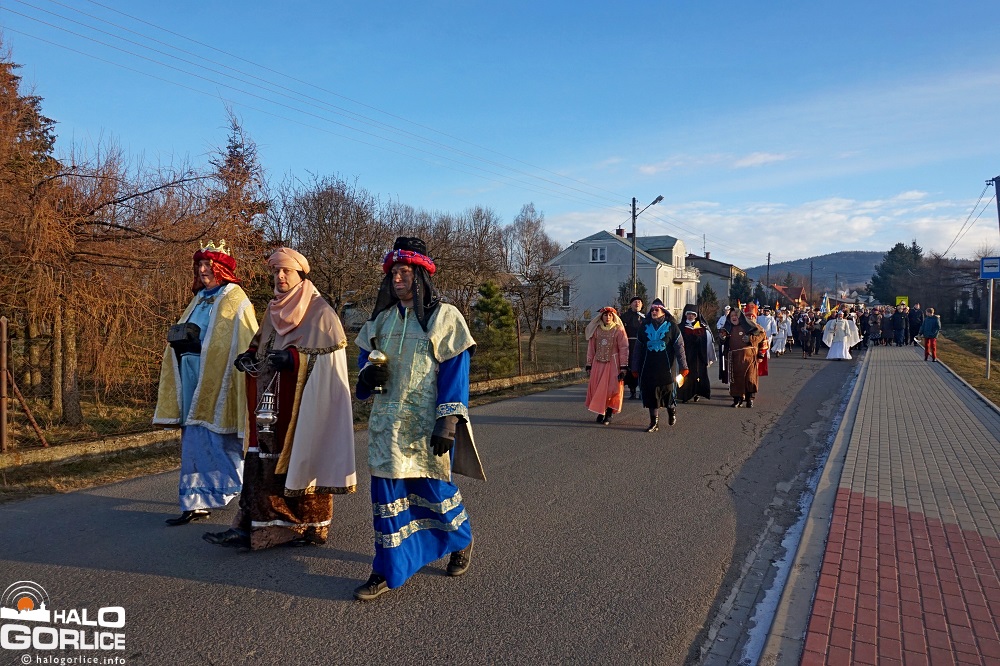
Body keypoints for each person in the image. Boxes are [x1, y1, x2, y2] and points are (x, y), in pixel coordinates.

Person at [353, 236, 485, 601]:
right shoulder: (380, 321)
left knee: (434, 492)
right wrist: (366, 375)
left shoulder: (445, 317)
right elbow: (363, 364)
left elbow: (456, 371)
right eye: (393, 273)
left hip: (426, 425)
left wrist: (449, 421)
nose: (398, 279)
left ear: (421, 276)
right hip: (385, 426)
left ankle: (461, 540)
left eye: (405, 272)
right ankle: (386, 569)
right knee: (387, 498)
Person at [203, 248, 357, 550]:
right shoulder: (273, 309)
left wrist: (293, 360)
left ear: (301, 274)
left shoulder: (321, 312)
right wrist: (249, 357)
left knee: (297, 461)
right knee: (260, 461)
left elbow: (330, 363)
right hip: (269, 403)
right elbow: (260, 343)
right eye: (275, 271)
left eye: (286, 270)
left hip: (301, 407)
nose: (280, 276)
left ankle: (305, 526)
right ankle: (250, 526)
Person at [154, 240, 258, 526]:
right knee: (194, 441)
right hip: (191, 377)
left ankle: (234, 490)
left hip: (220, 381)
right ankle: (195, 502)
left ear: (221, 269)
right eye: (199, 265)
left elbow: (247, 339)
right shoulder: (199, 298)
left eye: (208, 265)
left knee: (221, 440)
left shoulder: (235, 298)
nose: (202, 270)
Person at [631, 299, 688, 431]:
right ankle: (654, 423)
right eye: (652, 310)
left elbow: (680, 348)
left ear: (663, 311)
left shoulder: (672, 327)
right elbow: (637, 349)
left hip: (666, 366)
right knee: (651, 393)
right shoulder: (644, 327)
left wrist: (684, 367)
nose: (654, 312)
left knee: (668, 391)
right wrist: (635, 367)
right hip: (648, 366)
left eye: (656, 310)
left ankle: (671, 411)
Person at [584, 307, 630, 424]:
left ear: (614, 317)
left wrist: (623, 366)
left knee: (612, 388)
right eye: (605, 315)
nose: (608, 317)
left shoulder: (619, 330)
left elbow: (624, 348)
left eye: (610, 315)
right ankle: (601, 411)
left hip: (613, 363)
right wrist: (589, 363)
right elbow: (591, 348)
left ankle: (609, 412)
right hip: (598, 363)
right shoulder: (596, 330)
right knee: (598, 388)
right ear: (602, 317)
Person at [719, 306, 767, 408]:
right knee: (736, 380)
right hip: (734, 358)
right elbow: (722, 341)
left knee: (749, 378)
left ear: (740, 316)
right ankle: (737, 400)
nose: (734, 317)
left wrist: (750, 339)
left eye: (735, 315)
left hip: (748, 357)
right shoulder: (727, 328)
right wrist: (722, 338)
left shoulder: (749, 326)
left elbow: (761, 335)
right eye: (731, 316)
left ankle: (749, 399)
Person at [677, 305, 715, 404]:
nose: (690, 316)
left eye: (693, 314)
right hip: (685, 355)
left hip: (698, 356)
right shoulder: (680, 327)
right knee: (685, 374)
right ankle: (685, 395)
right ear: (685, 315)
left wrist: (698, 338)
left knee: (697, 374)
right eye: (689, 314)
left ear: (696, 316)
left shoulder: (701, 327)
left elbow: (707, 341)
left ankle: (697, 392)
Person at [620, 297, 644, 400]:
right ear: (631, 304)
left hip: (642, 346)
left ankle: (642, 390)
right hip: (629, 344)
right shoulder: (625, 317)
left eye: (639, 302)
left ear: (642, 305)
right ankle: (632, 390)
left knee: (641, 367)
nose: (637, 303)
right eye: (635, 302)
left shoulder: (645, 317)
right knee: (630, 367)